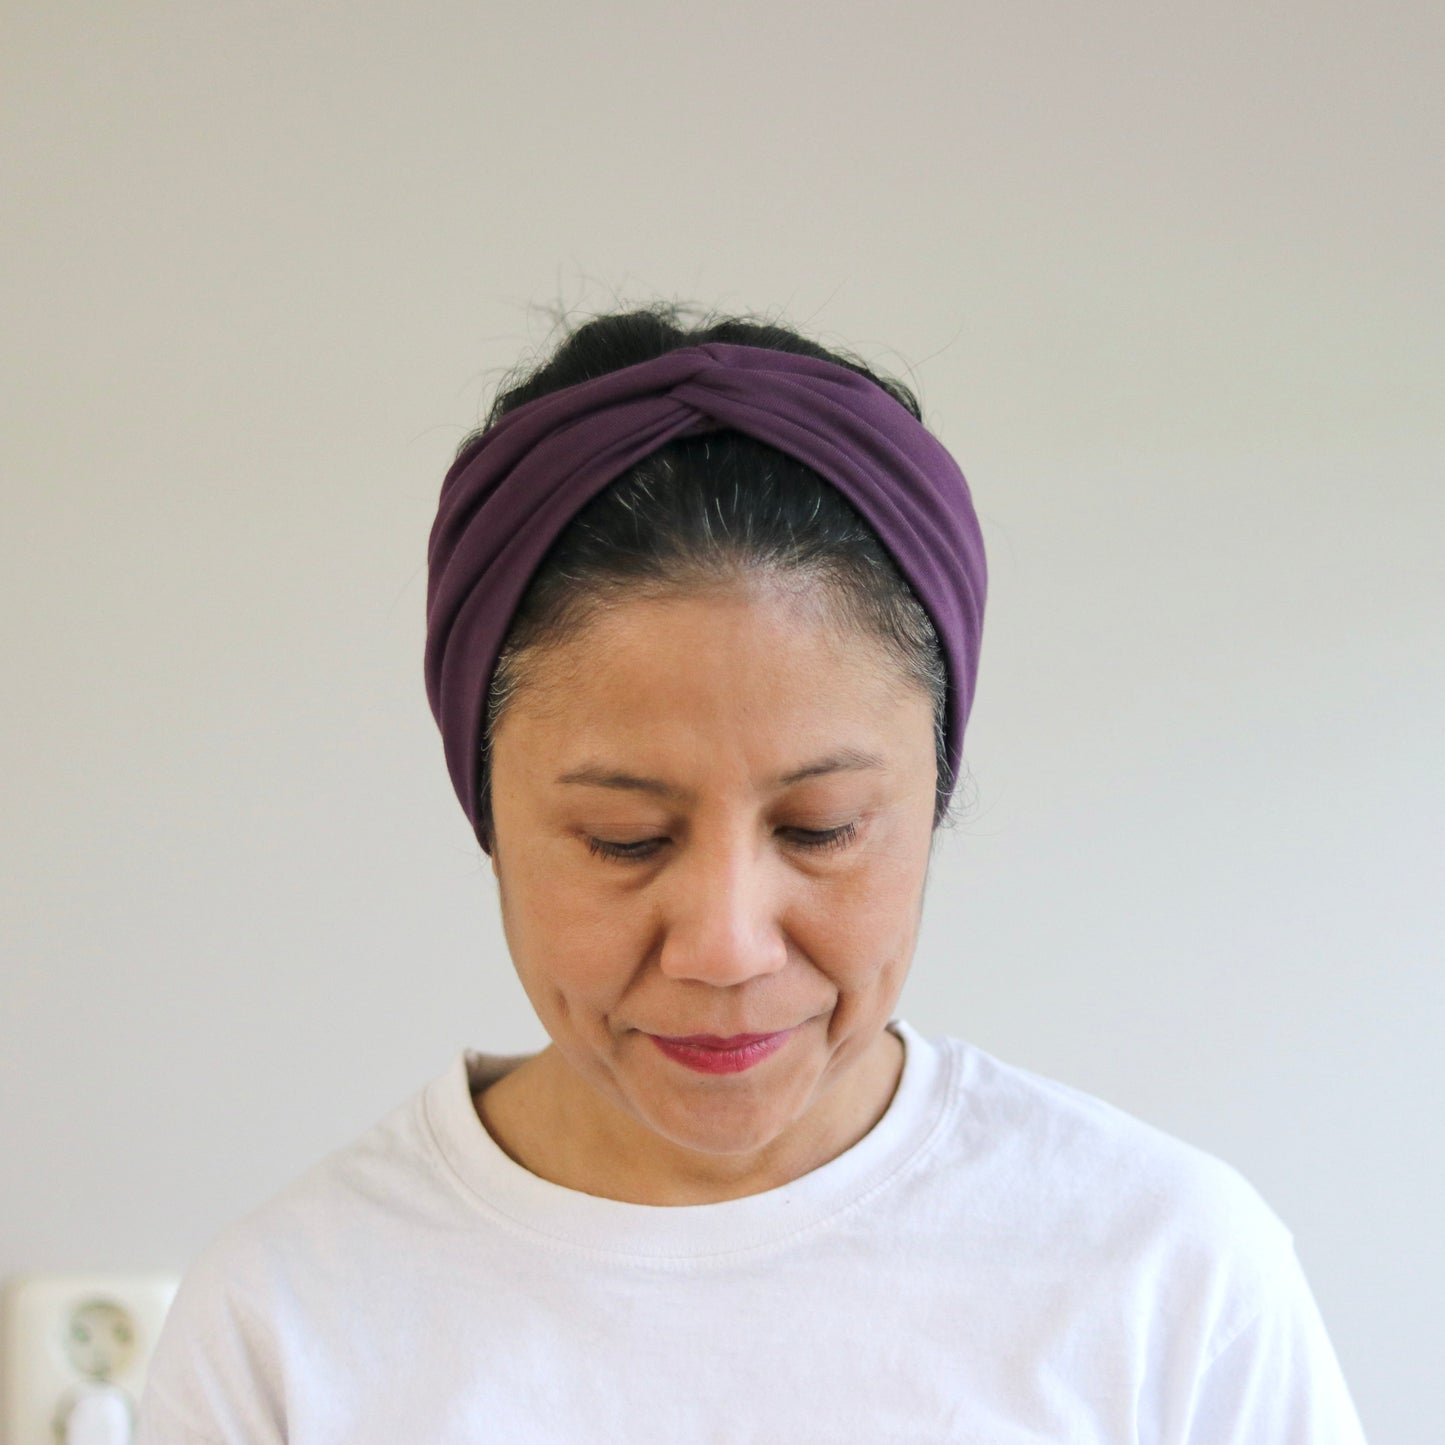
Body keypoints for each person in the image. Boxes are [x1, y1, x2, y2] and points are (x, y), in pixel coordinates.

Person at [135, 303, 1368, 1443]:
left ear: (931, 796)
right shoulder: (287, 1325)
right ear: (487, 809)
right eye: (624, 837)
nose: (724, 944)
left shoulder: (1165, 1275)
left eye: (822, 825)